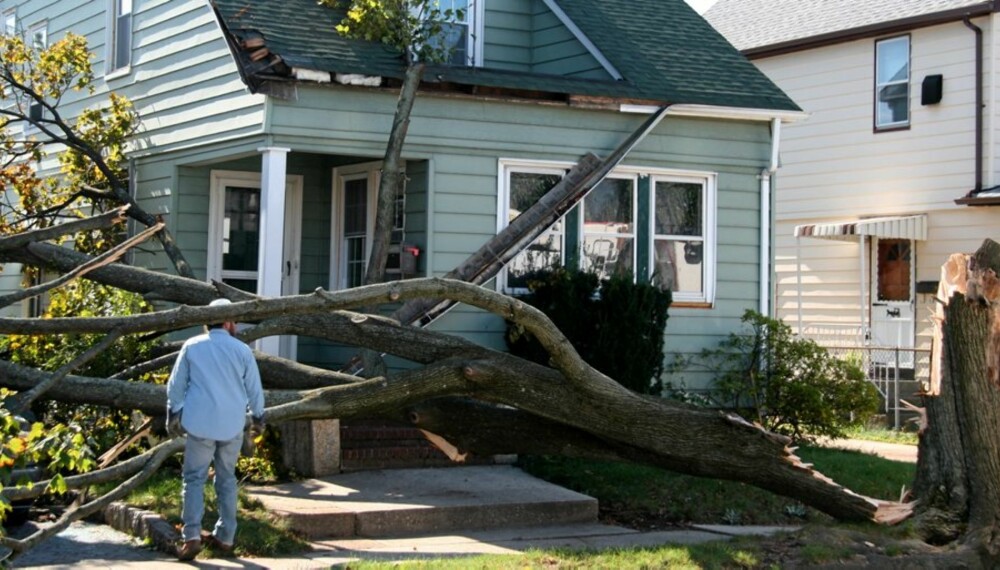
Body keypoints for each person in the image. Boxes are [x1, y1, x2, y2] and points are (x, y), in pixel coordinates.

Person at [165, 298, 265, 561]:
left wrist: (173, 412)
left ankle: (192, 536)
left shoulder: (192, 346)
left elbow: (176, 385)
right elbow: (254, 387)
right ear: (229, 321)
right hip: (232, 424)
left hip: (200, 423)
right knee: (227, 479)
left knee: (194, 478)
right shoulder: (241, 350)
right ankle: (226, 536)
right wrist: (258, 417)